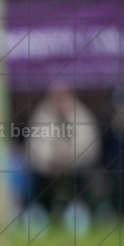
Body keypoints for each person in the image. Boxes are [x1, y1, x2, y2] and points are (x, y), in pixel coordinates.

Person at [26, 83, 101, 213]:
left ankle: (84, 210)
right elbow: (35, 147)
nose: (59, 101)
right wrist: (52, 157)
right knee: (36, 180)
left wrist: (70, 156)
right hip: (48, 170)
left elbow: (89, 146)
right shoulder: (42, 114)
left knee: (87, 179)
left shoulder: (81, 114)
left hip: (77, 168)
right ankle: (40, 210)